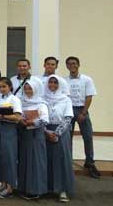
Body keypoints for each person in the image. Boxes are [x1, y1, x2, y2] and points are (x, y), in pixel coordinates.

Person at [65, 56, 100, 179]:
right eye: (69, 64)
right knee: (67, 137)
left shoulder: (87, 79)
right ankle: (68, 162)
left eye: (74, 63)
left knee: (87, 136)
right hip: (69, 110)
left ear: (78, 65)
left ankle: (89, 162)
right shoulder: (64, 81)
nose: (72, 65)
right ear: (67, 66)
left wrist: (84, 112)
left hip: (82, 109)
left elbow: (89, 97)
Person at [0, 77, 23, 199]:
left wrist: (2, 115)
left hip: (9, 129)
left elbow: (18, 117)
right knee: (0, 157)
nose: (1, 89)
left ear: (10, 87)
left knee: (9, 158)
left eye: (4, 86)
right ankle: (3, 184)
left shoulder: (14, 99)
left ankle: (10, 187)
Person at [45, 75, 75, 203]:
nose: (52, 84)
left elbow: (68, 118)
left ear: (61, 84)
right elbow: (40, 116)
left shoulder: (65, 99)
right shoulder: (42, 98)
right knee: (46, 160)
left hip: (61, 133)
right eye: (50, 82)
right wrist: (46, 132)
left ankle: (62, 190)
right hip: (45, 132)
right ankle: (48, 188)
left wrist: (56, 134)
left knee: (61, 160)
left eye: (55, 82)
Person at [18, 79, 49, 200]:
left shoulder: (41, 103)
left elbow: (45, 119)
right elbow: (18, 114)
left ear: (36, 89)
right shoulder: (22, 101)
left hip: (36, 135)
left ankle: (37, 190)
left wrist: (32, 121)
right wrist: (21, 120)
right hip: (25, 134)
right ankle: (25, 188)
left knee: (36, 161)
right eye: (26, 88)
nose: (28, 91)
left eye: (30, 88)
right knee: (25, 161)